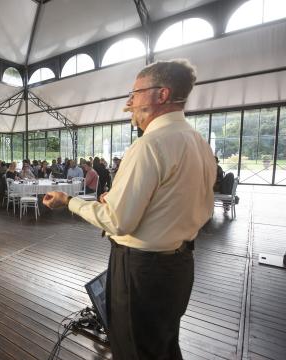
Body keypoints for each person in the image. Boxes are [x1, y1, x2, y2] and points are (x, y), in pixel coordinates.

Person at [43, 59, 215, 360]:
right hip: (179, 266)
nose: (129, 101)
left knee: (133, 350)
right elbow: (187, 204)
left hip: (142, 273)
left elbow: (118, 221)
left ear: (161, 95)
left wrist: (69, 201)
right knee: (164, 347)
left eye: (136, 93)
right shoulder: (197, 141)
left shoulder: (150, 145)